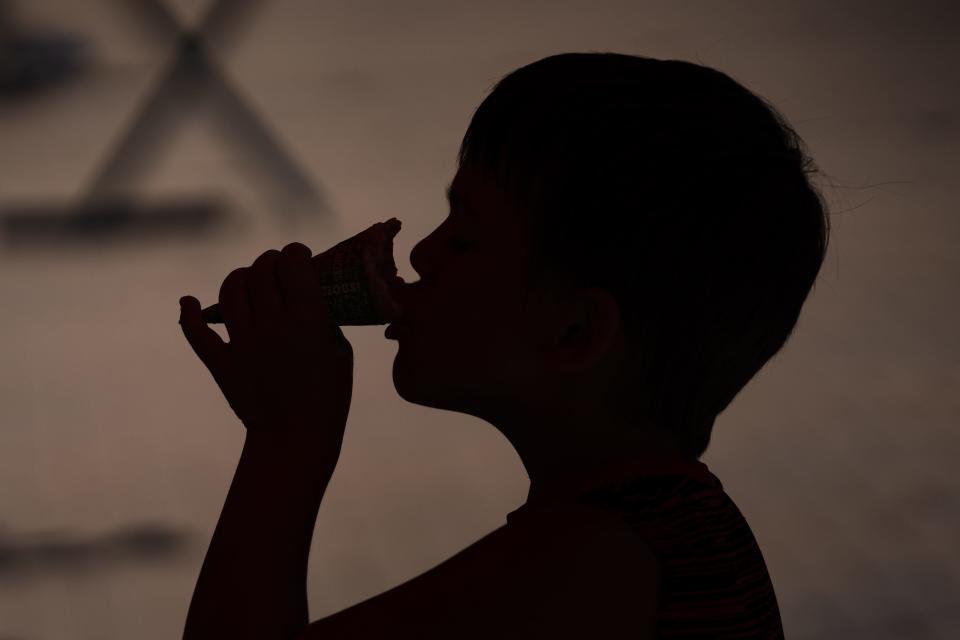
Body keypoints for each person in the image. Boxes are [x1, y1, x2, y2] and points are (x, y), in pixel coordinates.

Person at [179, 52, 830, 639]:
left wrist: (286, 439)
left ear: (576, 334)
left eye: (463, 239)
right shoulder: (670, 532)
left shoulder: (589, 567)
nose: (425, 253)